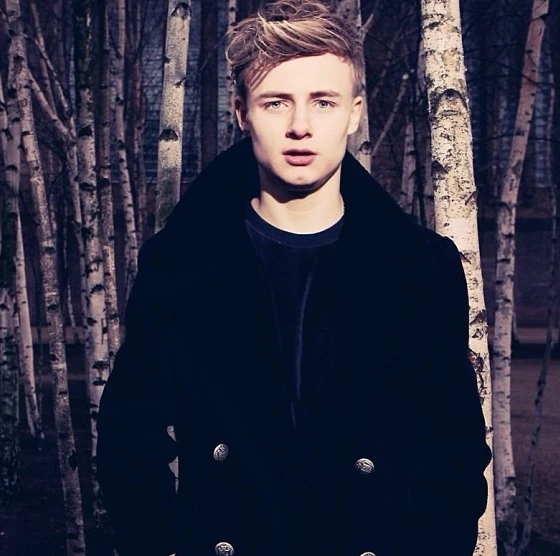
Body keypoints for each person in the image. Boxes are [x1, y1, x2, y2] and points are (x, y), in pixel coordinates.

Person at [97, 2, 492, 555]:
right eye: (276, 102)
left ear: (354, 113)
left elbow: (452, 453)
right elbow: (128, 435)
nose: (300, 126)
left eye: (323, 102)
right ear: (242, 113)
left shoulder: (421, 269)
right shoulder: (182, 264)